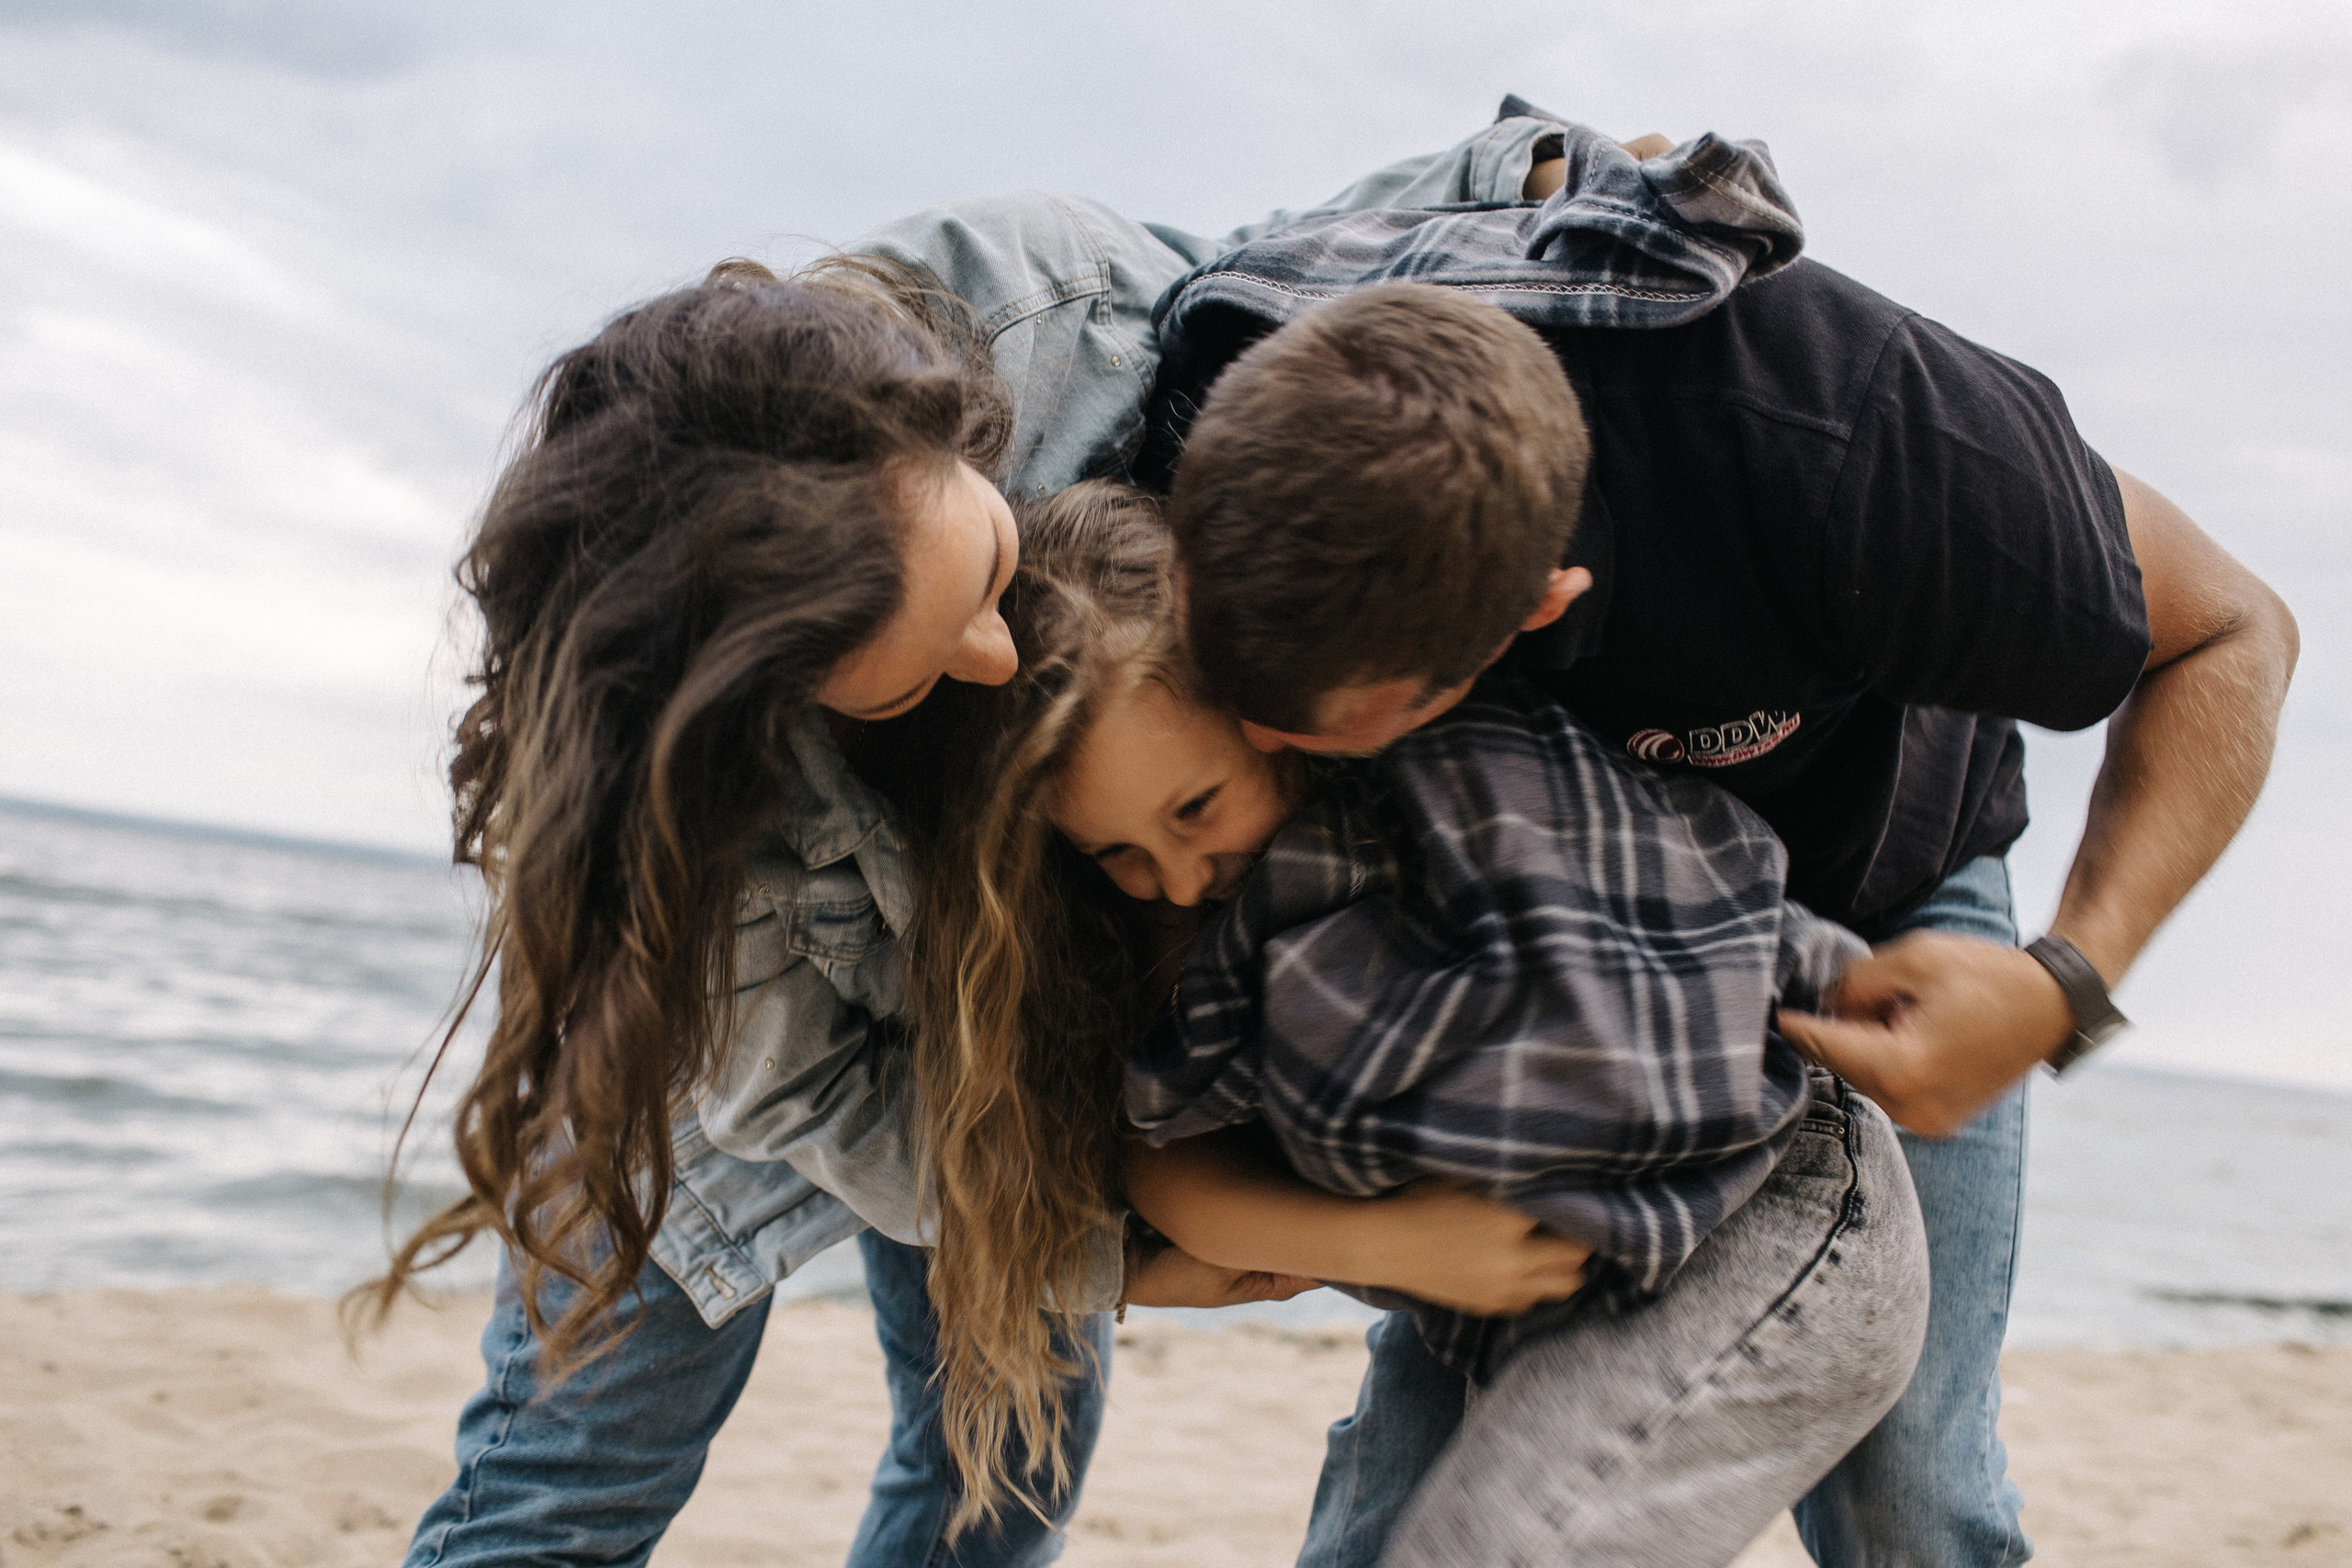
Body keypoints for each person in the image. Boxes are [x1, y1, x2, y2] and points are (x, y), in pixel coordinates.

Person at [384, 107, 1798, 1568]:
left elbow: (1291, 294)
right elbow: (799, 1096)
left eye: (989, 567)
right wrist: (1122, 1251)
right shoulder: (676, 786)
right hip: (751, 1074)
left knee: (1004, 1485)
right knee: (564, 1489)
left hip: (1033, 1009)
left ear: (941, 424)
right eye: (924, 668)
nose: (996, 658)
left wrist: (1529, 191)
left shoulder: (1045, 302)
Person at [1135, 106, 2300, 1565]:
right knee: (1422, 1484)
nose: (1260, 758)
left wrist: (2070, 975)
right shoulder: (1206, 398)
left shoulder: (1851, 441)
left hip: (1874, 890)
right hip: (1554, 924)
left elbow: (2237, 627)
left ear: (1533, 614)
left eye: (1318, 728)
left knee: (1910, 1493)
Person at [899, 477, 1930, 1567]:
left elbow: (1708, 914)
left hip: (1765, 1203)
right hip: (1521, 1302)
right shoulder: (1189, 949)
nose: (1180, 873)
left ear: (1263, 711)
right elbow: (1162, 1163)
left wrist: (1849, 985)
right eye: (1117, 852)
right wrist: (1381, 1244)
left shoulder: (1438, 793)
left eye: (1195, 808)